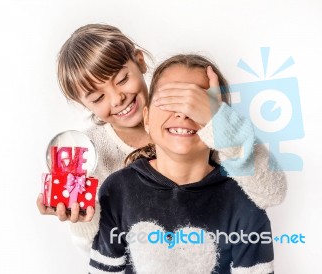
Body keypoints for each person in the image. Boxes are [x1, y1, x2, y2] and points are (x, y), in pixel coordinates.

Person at [36, 23, 286, 256]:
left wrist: (217, 122)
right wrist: (82, 218)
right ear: (84, 104)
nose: (117, 99)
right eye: (97, 98)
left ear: (140, 62)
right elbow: (97, 248)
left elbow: (272, 193)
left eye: (122, 79)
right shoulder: (91, 155)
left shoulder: (195, 127)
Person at [89, 54, 274, 273]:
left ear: (221, 123)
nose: (183, 112)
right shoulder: (117, 190)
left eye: (199, 104)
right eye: (170, 99)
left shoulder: (244, 200)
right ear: (146, 118)